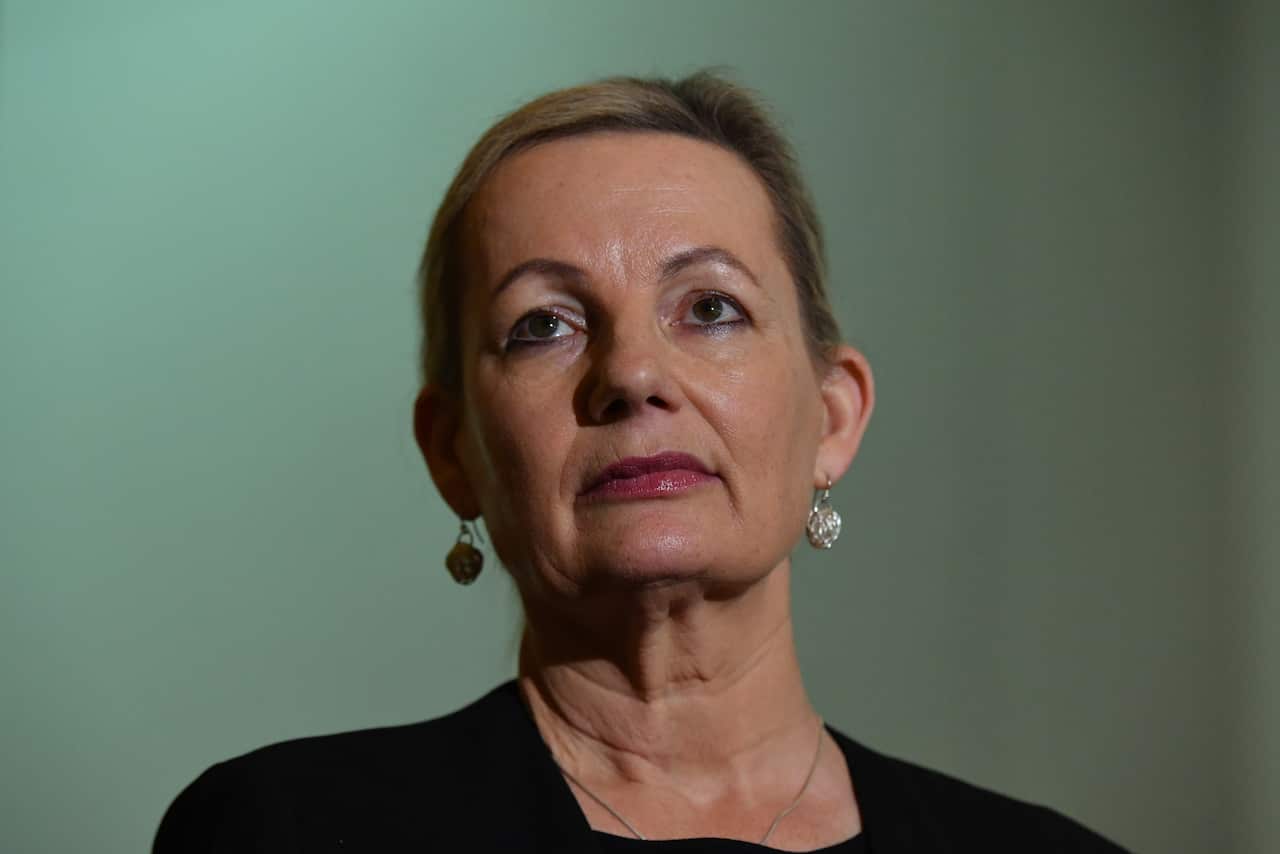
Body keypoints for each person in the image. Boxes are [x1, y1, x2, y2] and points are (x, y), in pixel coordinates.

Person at [154, 71, 1126, 852]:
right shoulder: (281, 829)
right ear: (453, 452)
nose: (630, 372)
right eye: (543, 325)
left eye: (710, 307)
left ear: (832, 416)